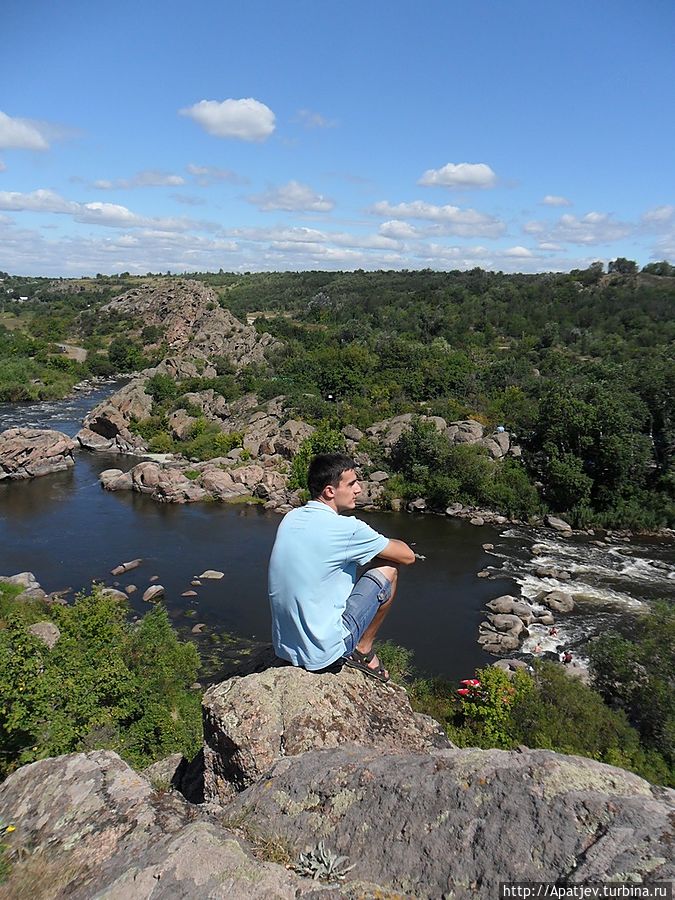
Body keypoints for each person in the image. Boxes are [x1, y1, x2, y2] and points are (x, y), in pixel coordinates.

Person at [268, 453, 415, 682]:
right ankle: (363, 649)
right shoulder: (347, 528)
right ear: (329, 491)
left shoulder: (291, 517)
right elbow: (407, 556)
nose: (359, 489)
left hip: (285, 647)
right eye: (352, 483)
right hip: (324, 653)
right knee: (389, 567)